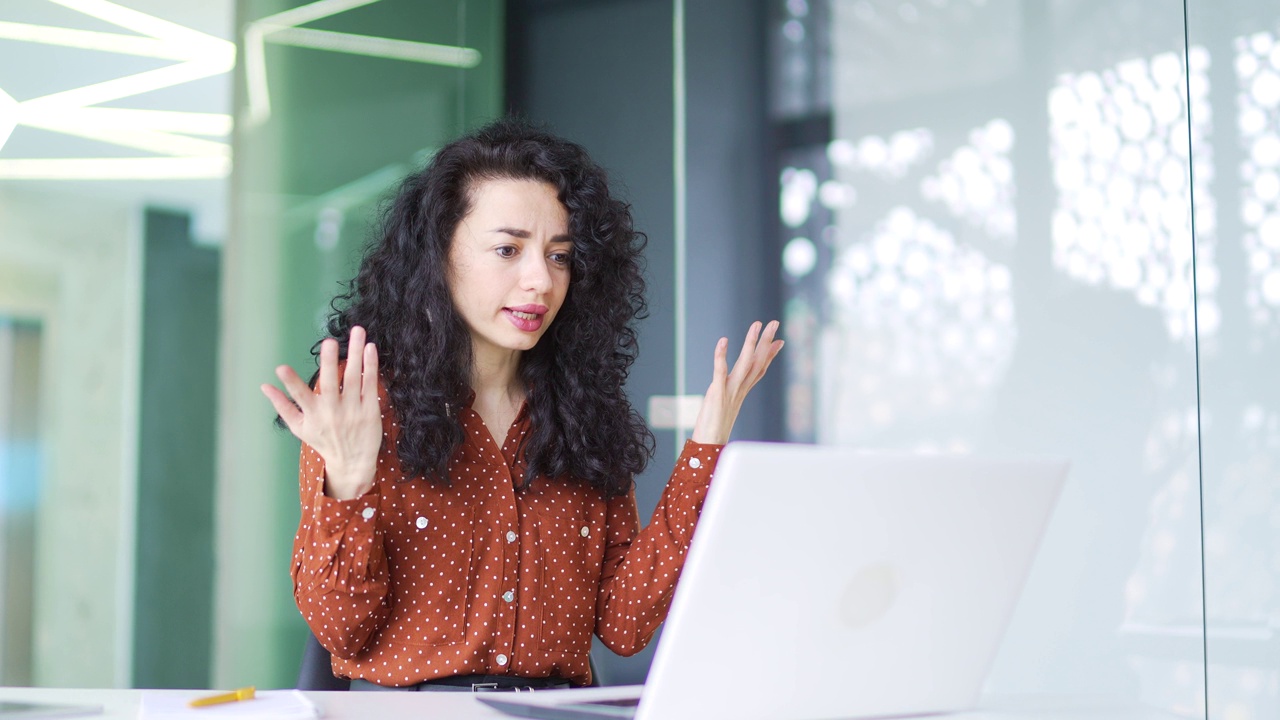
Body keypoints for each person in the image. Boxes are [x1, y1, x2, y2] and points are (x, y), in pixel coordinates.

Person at [261, 119, 783, 691]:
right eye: (508, 249)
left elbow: (626, 625)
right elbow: (340, 629)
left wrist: (706, 445)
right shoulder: (362, 406)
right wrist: (349, 481)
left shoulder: (581, 415)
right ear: (438, 255)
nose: (540, 279)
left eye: (559, 256)